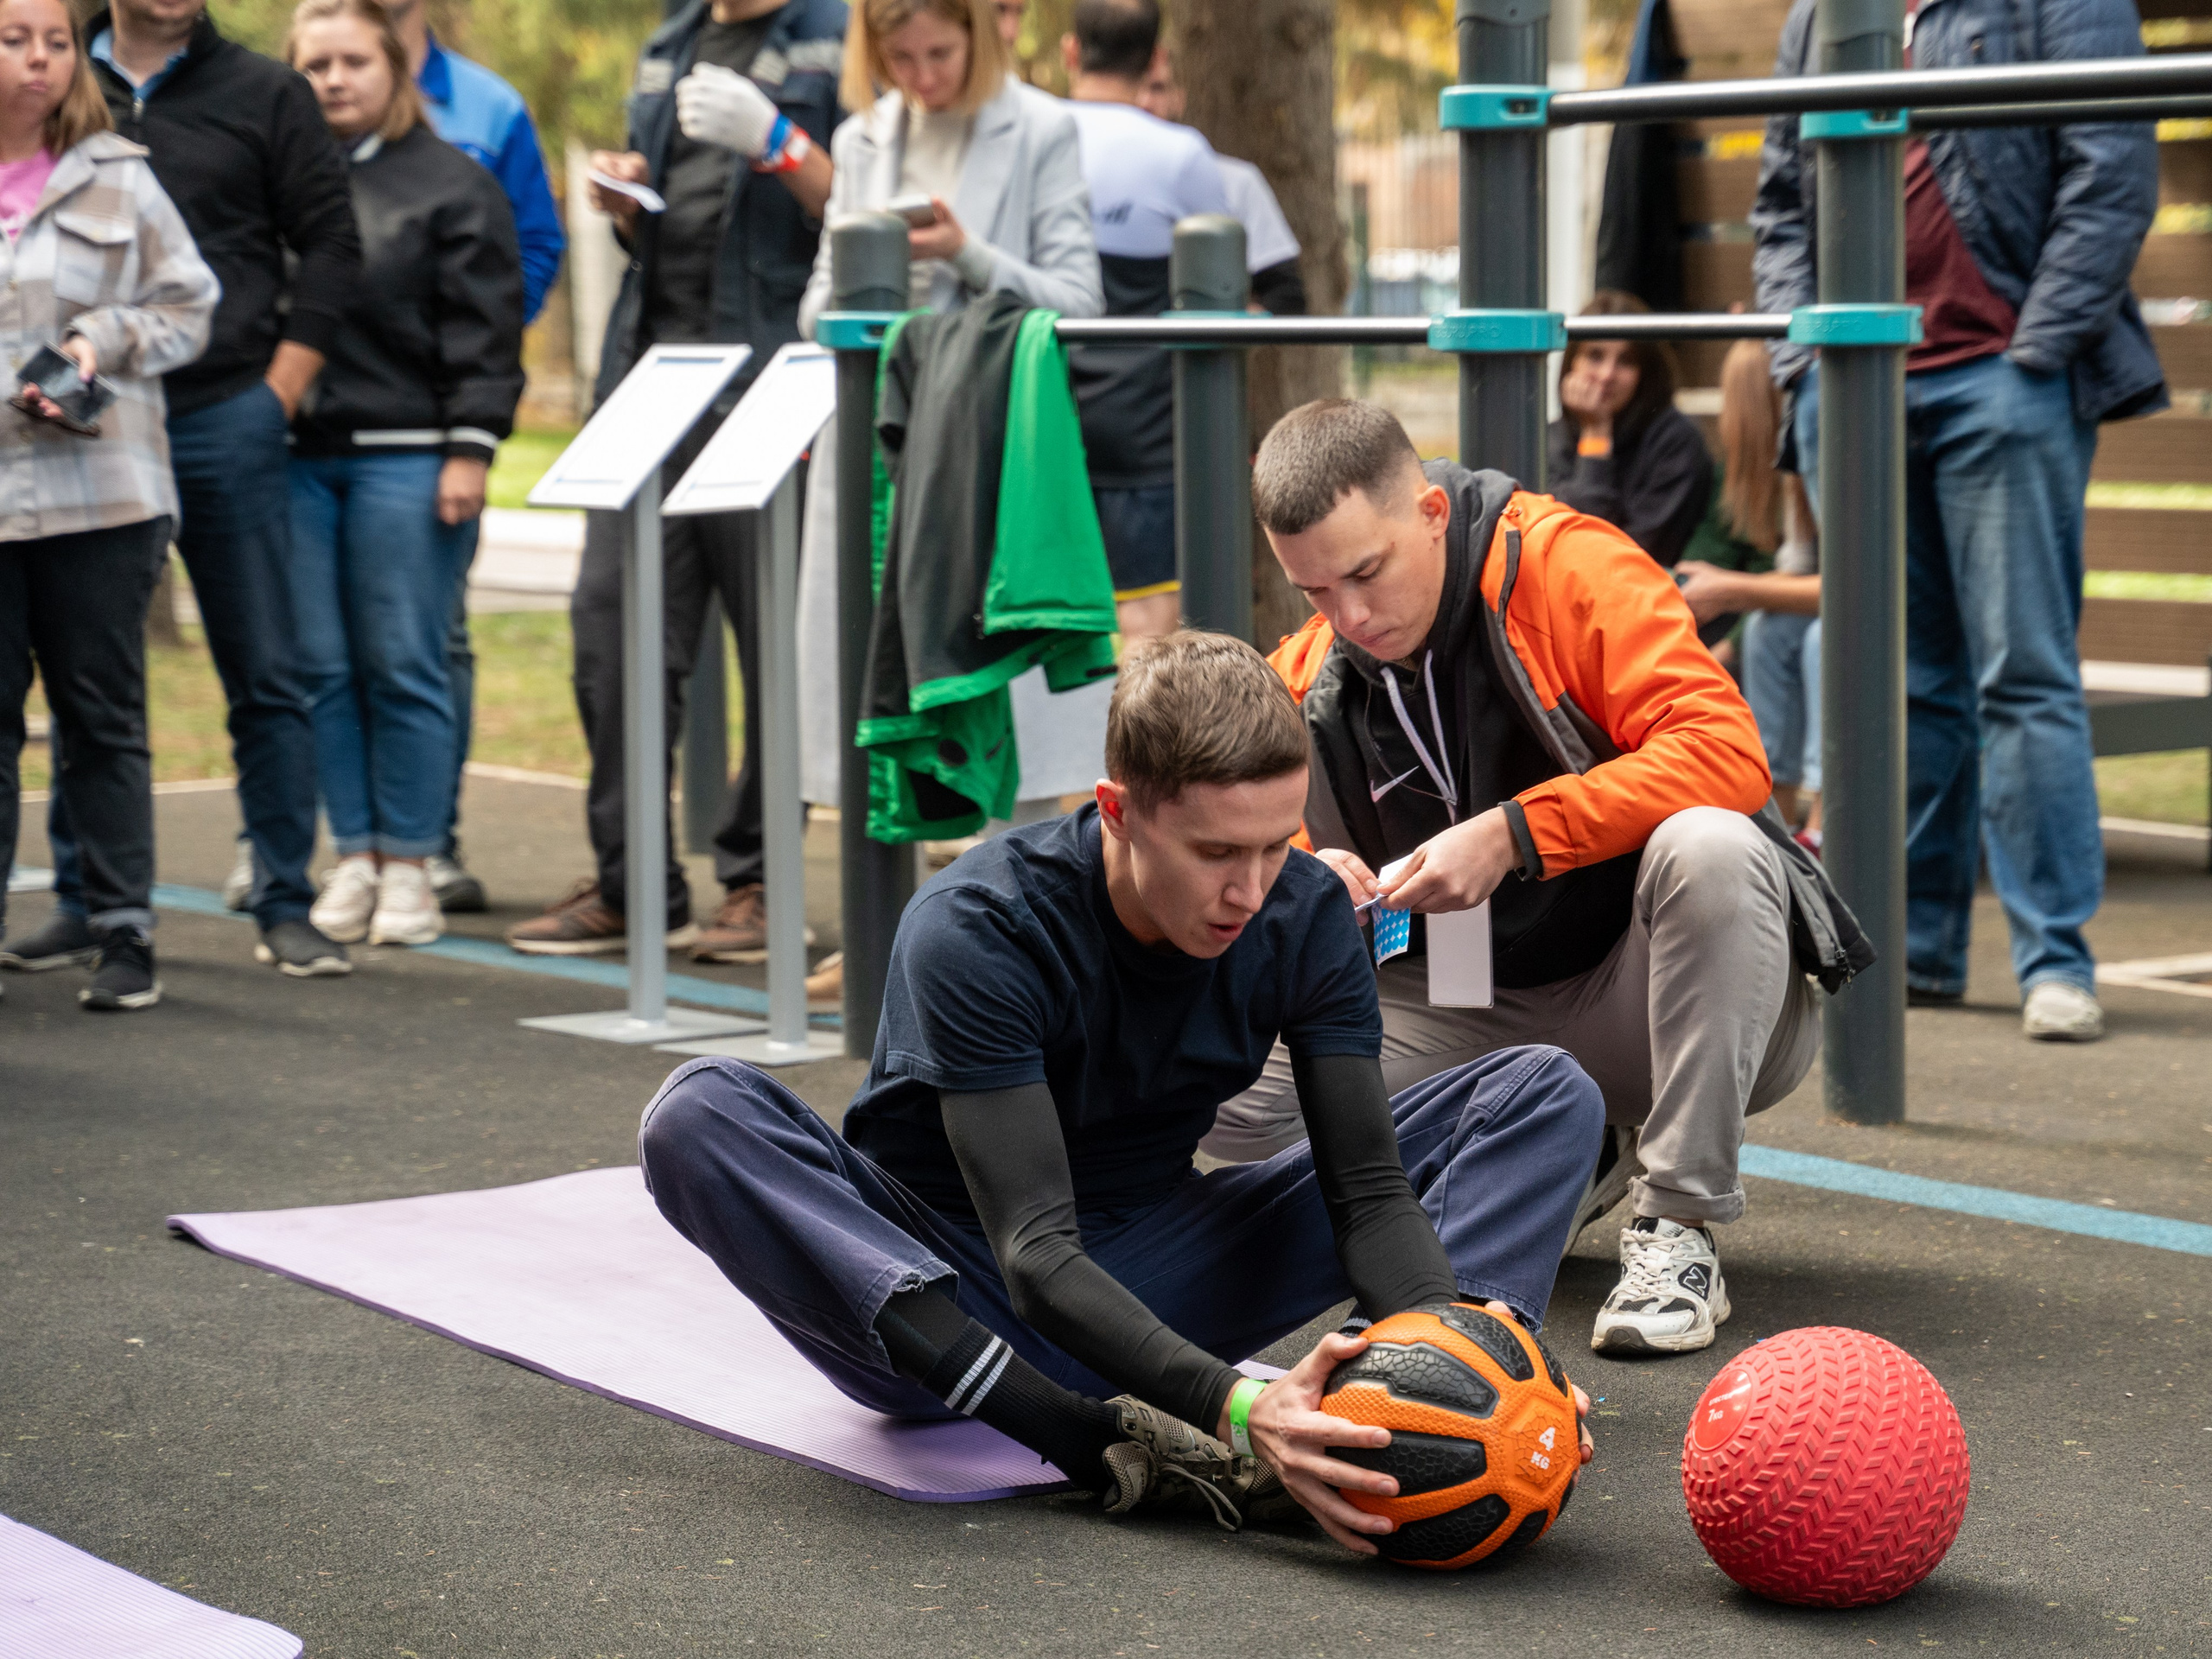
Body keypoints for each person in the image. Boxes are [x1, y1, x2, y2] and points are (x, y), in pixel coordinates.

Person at [640, 630, 1599, 1541]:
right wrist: (1231, 1405)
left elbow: (1370, 1192)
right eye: (1216, 853)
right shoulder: (980, 927)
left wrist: (1474, 1364)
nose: (1251, 889)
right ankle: (1097, 1445)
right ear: (1117, 809)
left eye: (1276, 844)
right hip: (950, 1311)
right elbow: (1035, 1254)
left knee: (1542, 1091)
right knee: (697, 1111)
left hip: (1158, 1272)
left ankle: (1389, 1415)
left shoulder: (1301, 911)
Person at [1223, 399, 1870, 1358]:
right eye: (1314, 591)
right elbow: (1222, 818)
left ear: (1432, 513)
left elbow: (1726, 754)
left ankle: (1677, 1225)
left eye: (1365, 572)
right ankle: (1556, 1150)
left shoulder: (1569, 566)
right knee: (1230, 1119)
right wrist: (1308, 872)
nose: (1350, 615)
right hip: (1463, 1005)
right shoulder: (1316, 662)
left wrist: (1517, 832)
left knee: (1713, 845)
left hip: (1646, 1001)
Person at [1752, 0, 2163, 1044]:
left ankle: (2054, 962)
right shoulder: (1821, 14)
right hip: (1855, 388)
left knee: (2021, 673)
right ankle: (1923, 953)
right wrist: (1803, 369)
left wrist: (2035, 354)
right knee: (1910, 682)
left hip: (2000, 376)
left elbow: (2109, 169)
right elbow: (1780, 202)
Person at [9, 0, 365, 982]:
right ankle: (85, 903)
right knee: (91, 682)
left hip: (220, 416)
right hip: (78, 437)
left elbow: (332, 244)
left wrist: (277, 395)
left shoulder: (265, 90)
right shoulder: (57, 70)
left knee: (264, 666)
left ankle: (286, 901)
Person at [505, 0, 846, 963]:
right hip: (651, 377)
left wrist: (777, 140)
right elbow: (668, 228)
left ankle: (759, 882)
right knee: (609, 627)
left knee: (778, 649)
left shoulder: (839, 31)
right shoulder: (671, 37)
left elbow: (862, 209)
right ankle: (630, 884)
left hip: (775, 377)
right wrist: (628, 199)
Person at [789, 0, 1103, 1007]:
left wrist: (963, 252)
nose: (919, 73)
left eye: (937, 51)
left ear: (980, 34)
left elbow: (1079, 299)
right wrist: (864, 278)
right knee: (883, 691)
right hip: (879, 441)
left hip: (984, 448)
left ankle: (1024, 945)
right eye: (897, 54)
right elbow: (816, 305)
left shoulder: (1043, 127)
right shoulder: (860, 133)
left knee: (1001, 687)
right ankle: (897, 937)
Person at [284, 0, 524, 949]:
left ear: (395, 72)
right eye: (315, 65)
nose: (335, 80)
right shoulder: (284, 184)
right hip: (300, 465)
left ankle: (414, 863)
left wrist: (470, 445)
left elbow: (487, 328)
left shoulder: (452, 183)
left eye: (353, 62)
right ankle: (354, 854)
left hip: (414, 461)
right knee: (322, 668)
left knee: (404, 662)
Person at [0, 0, 218, 1010]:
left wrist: (99, 344)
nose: (39, 60)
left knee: (101, 715)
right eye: (14, 40)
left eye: (53, 41)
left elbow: (190, 303)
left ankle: (125, 930)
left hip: (104, 496)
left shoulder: (118, 174)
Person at [379, 0, 568, 917]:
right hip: (330, 421)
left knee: (432, 636)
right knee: (318, 652)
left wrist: (473, 334)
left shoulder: (489, 107)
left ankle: (430, 842)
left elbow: (533, 242)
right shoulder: (300, 93)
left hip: (441, 414)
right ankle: (337, 849)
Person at [1060, 0, 1228, 639]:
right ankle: (1134, 746)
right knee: (1147, 626)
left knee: (1044, 619)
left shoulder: (1030, 138)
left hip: (1043, 411)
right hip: (1147, 433)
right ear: (1156, 59)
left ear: (1071, 53)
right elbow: (1221, 287)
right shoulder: (1182, 155)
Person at [1674, 340, 1822, 838]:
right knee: (1767, 630)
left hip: (1878, 623)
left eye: (1736, 402)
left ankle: (1823, 825)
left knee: (1819, 640)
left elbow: (1850, 587)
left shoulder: (1817, 469)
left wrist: (1733, 597)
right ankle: (1775, 818)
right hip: (1767, 624)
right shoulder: (1747, 482)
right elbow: (1789, 569)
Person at [1545, 290, 1713, 573]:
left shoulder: (1676, 443)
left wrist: (1596, 435)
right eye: (1595, 356)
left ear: (1645, 372)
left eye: (1626, 361)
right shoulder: (1550, 439)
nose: (1607, 374)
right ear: (1571, 363)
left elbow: (1605, 561)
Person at [1135, 50, 1306, 316]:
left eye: (1158, 88)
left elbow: (1287, 295)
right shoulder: (1085, 177)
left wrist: (1223, 326)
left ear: (1179, 98)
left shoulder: (1237, 181)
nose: (1144, 102)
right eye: (1136, 86)